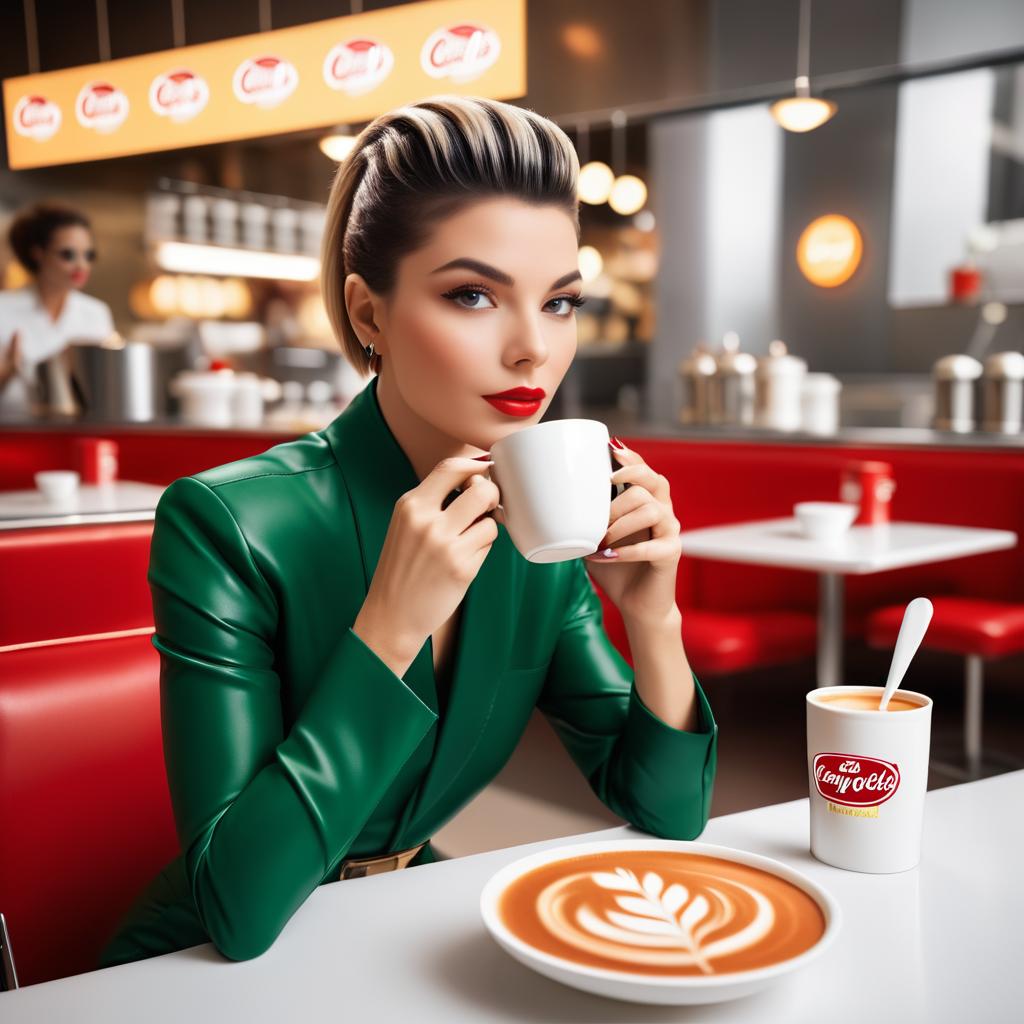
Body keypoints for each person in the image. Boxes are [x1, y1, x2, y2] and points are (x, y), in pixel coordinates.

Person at [98, 95, 718, 968]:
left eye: (561, 302)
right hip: (198, 967)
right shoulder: (226, 522)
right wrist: (387, 633)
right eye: (473, 295)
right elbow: (234, 907)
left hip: (400, 927)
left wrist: (655, 620)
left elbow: (668, 812)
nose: (533, 350)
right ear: (368, 314)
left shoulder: (539, 530)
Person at [0, 203, 115, 416]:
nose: (82, 266)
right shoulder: (3, 309)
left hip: (77, 430)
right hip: (12, 430)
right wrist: (8, 372)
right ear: (38, 253)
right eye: (68, 255)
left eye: (88, 255)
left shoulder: (96, 313)